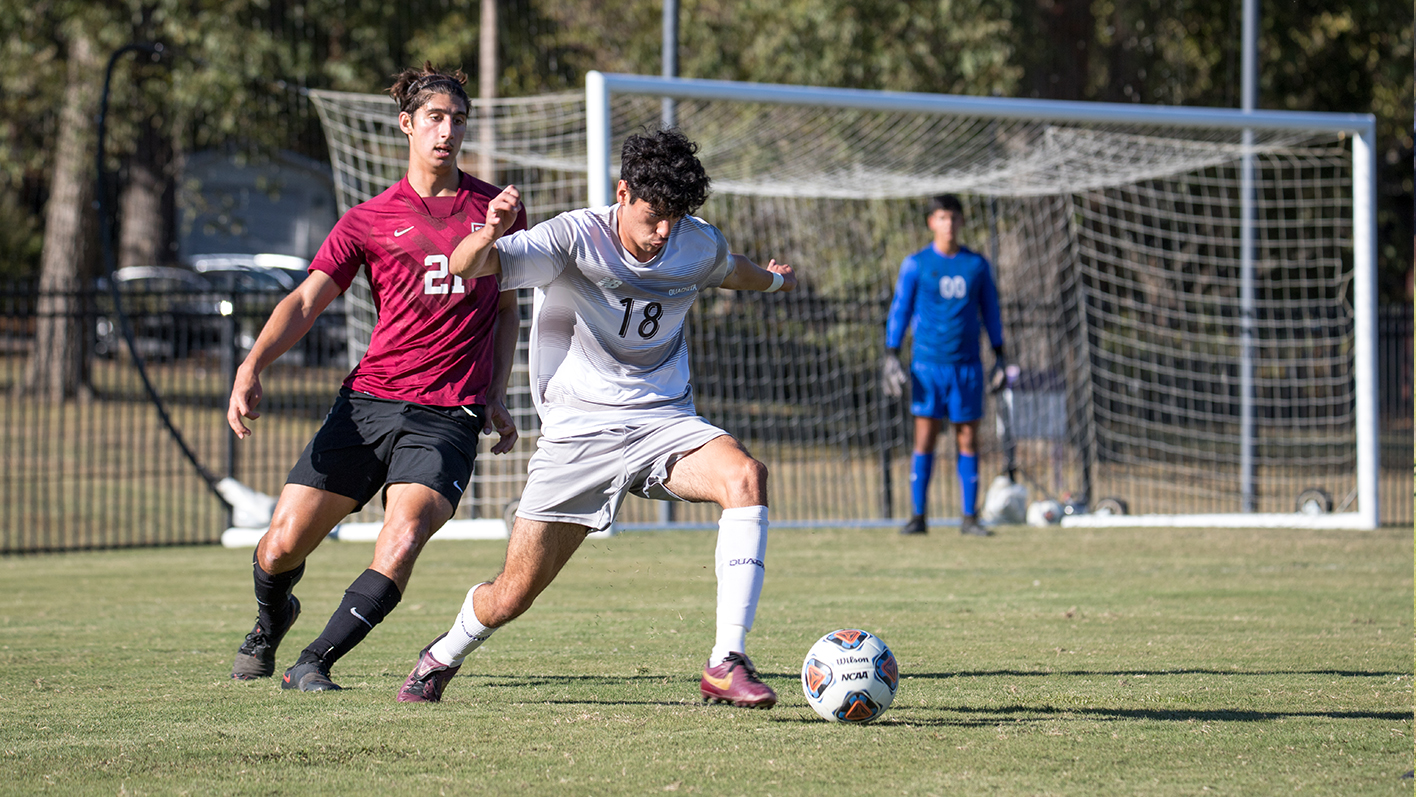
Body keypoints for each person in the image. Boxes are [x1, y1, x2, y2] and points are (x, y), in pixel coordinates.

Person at [394, 128, 797, 708]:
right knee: (511, 595)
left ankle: (725, 661)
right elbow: (466, 267)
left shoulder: (694, 242)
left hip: (664, 421)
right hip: (579, 432)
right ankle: (443, 654)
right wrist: (487, 230)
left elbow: (732, 268)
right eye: (653, 215)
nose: (662, 233)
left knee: (746, 477)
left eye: (675, 218)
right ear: (623, 191)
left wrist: (775, 279)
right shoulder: (572, 236)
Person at [226, 63, 526, 692]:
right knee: (280, 546)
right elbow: (306, 302)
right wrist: (253, 365)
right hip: (368, 404)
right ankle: (271, 617)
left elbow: (504, 310)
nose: (447, 131)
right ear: (407, 125)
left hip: (449, 414)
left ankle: (313, 662)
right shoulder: (367, 219)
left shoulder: (493, 210)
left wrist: (495, 393)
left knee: (405, 532)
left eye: (458, 120)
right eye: (435, 118)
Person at [882, 194, 1005, 537]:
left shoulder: (976, 265)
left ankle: (969, 517)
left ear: (961, 222)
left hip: (966, 367)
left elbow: (991, 312)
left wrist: (1000, 355)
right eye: (941, 217)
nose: (948, 224)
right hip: (927, 366)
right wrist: (891, 355)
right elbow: (901, 309)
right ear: (931, 222)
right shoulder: (916, 264)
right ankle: (918, 516)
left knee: (968, 438)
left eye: (953, 217)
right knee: (925, 438)